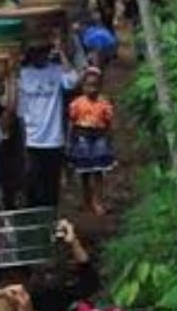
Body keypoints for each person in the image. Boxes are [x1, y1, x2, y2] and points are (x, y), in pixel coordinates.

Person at [17, 42, 80, 209]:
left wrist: (61, 51)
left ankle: (51, 222)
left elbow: (73, 81)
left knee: (51, 185)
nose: (40, 55)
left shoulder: (57, 70)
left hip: (54, 139)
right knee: (33, 185)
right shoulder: (23, 75)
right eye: (36, 52)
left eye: (43, 51)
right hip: (32, 140)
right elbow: (20, 112)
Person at [67, 67, 116, 215]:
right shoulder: (76, 104)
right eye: (88, 85)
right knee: (84, 171)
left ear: (100, 86)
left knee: (99, 171)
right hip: (82, 136)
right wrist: (70, 141)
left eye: (95, 85)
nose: (92, 89)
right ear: (82, 87)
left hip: (99, 136)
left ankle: (98, 200)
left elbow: (108, 123)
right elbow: (72, 123)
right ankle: (86, 199)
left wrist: (109, 140)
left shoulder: (104, 103)